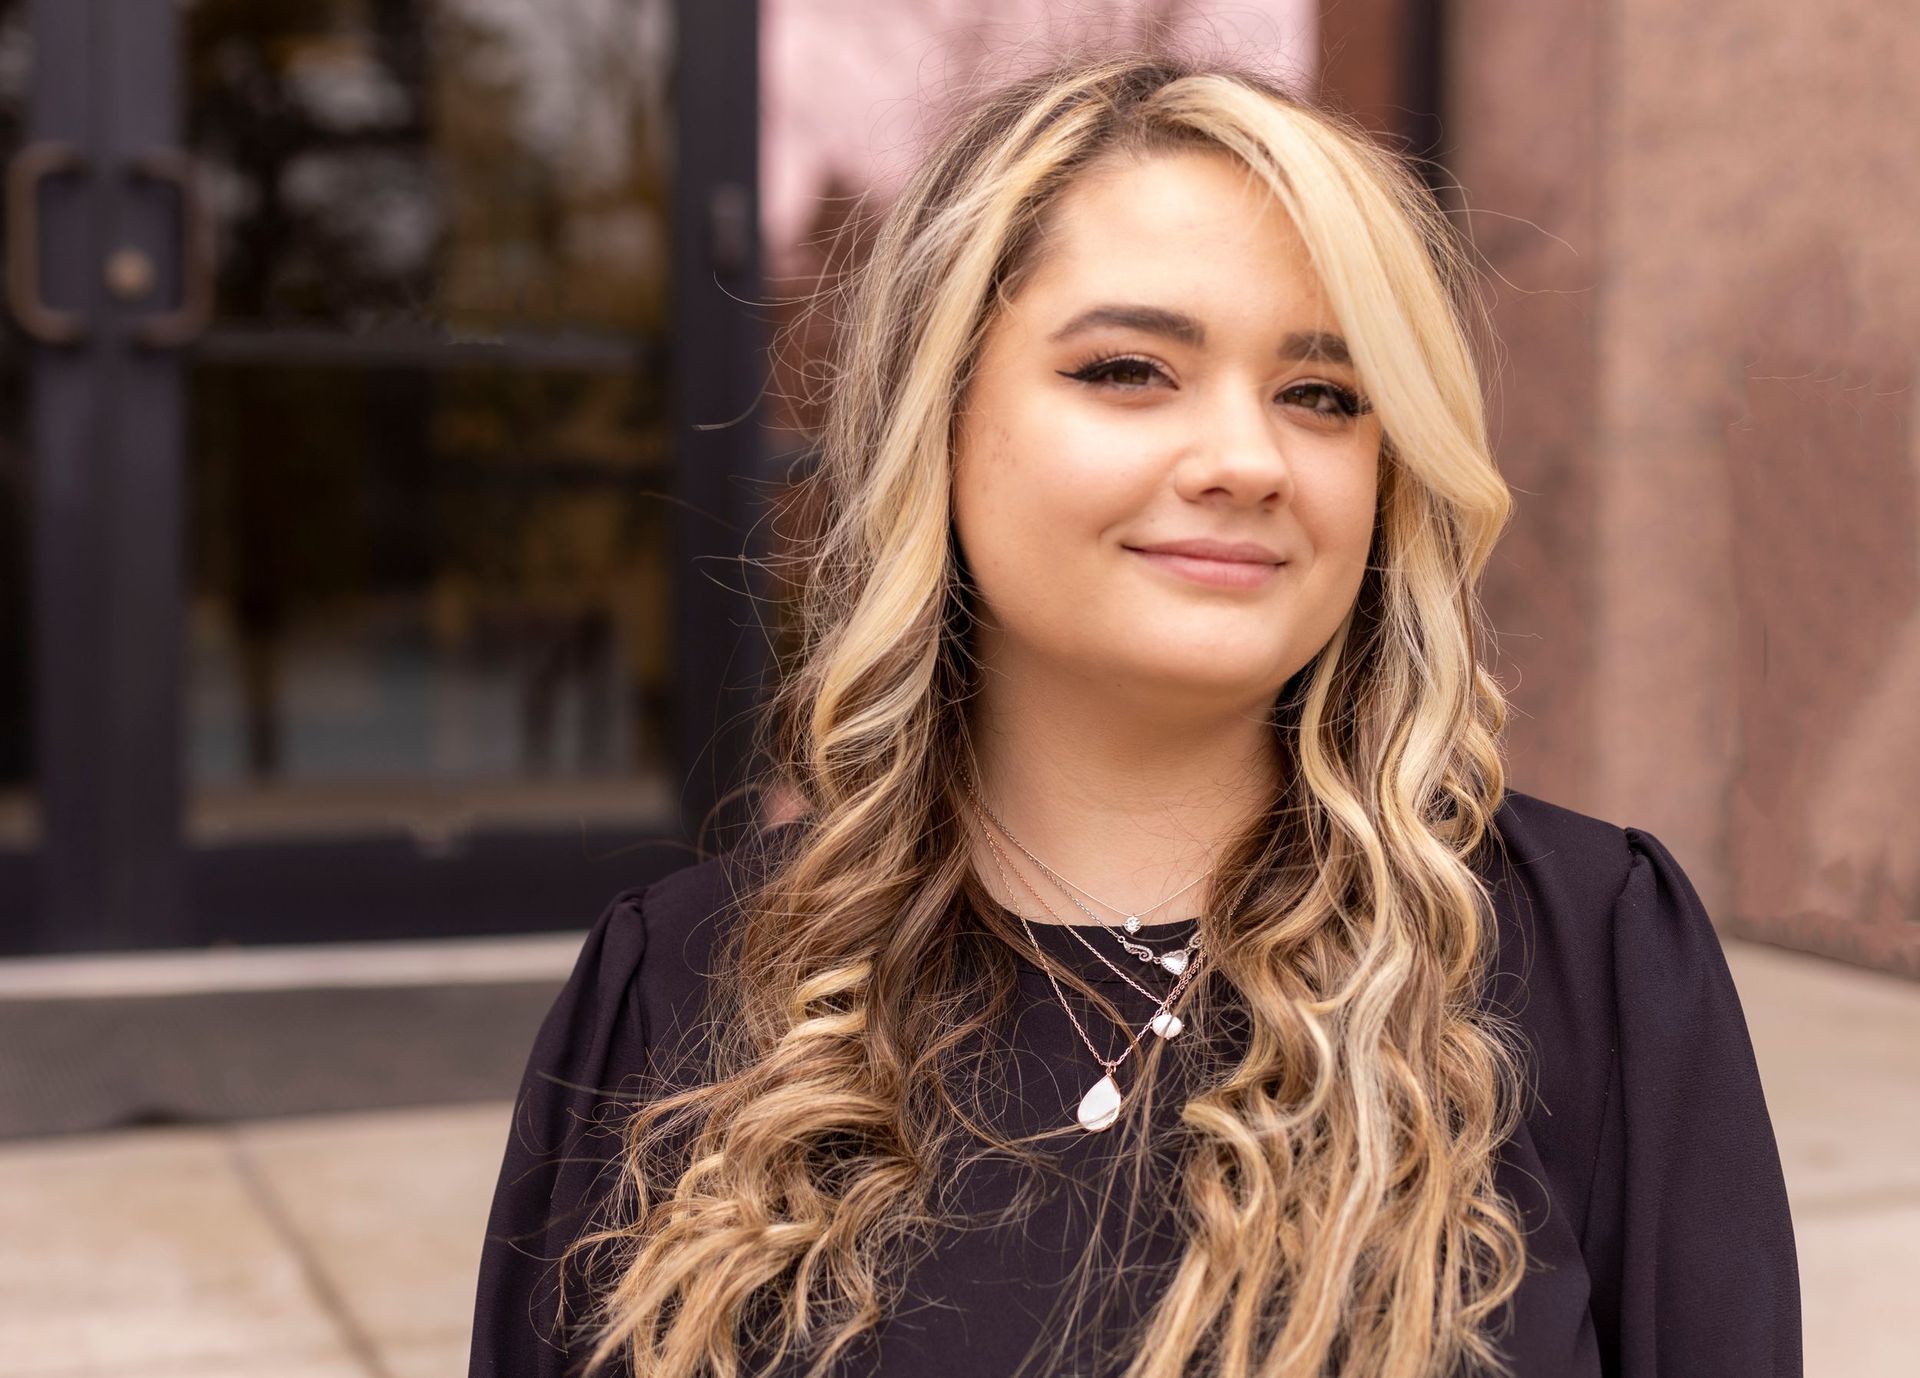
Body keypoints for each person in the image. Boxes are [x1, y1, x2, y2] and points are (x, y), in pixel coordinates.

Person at [467, 50, 1801, 1378]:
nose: (1243, 459)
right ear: (941, 419)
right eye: (1127, 370)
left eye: (1325, 395)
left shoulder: (1591, 957)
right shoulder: (678, 989)